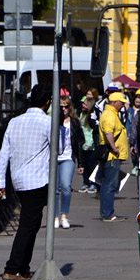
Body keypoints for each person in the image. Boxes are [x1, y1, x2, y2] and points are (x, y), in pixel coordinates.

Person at [0, 84, 53, 280]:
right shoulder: (47, 122)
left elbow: (4, 154)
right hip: (38, 180)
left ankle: (23, 268)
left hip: (18, 180)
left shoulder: (14, 122)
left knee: (32, 224)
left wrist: (0, 181)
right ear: (47, 102)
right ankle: (11, 268)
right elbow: (57, 150)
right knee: (28, 226)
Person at [54, 89, 84, 229]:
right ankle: (55, 217)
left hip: (67, 157)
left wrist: (80, 163)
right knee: (54, 189)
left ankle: (64, 215)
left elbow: (79, 142)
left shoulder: (74, 122)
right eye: (61, 107)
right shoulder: (52, 121)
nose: (64, 109)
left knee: (66, 187)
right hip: (53, 158)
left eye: (66, 106)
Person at [98, 91, 129, 222]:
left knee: (108, 184)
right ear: (115, 103)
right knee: (109, 185)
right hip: (112, 156)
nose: (123, 105)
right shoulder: (109, 115)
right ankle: (108, 214)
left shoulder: (112, 114)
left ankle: (107, 213)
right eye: (121, 103)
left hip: (113, 155)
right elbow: (108, 132)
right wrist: (113, 147)